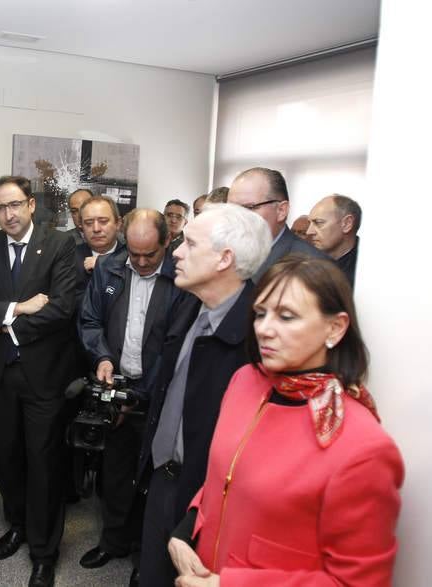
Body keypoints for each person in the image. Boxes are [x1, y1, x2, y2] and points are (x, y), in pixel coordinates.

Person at [168, 256, 403, 587]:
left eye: (286, 316)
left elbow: (356, 582)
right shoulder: (245, 382)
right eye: (260, 314)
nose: (263, 328)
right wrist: (186, 530)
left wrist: (227, 585)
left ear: (335, 328)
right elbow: (224, 478)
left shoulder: (364, 448)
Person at [137, 204, 273, 587]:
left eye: (190, 244)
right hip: (163, 479)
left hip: (210, 500)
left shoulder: (260, 338)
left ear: (224, 259)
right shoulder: (189, 306)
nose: (176, 252)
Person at [0, 176, 76, 587]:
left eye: (14, 205)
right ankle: (19, 525)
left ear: (30, 205)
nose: (7, 214)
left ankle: (44, 551)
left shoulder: (60, 244)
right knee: (5, 459)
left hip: (43, 375)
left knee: (43, 463)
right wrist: (15, 310)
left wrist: (4, 324)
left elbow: (62, 308)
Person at [78, 208, 180, 584]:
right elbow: (89, 320)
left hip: (160, 395)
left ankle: (146, 555)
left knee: (155, 479)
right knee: (116, 471)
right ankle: (113, 541)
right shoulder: (110, 268)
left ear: (166, 242)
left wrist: (143, 394)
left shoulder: (181, 278)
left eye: (149, 255)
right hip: (116, 387)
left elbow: (175, 345)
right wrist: (102, 357)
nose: (139, 262)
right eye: (134, 254)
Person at [227, 167, 325, 282]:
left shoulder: (314, 266)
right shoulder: (226, 253)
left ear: (281, 211)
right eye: (231, 209)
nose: (236, 217)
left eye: (249, 208)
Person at [74, 195, 124, 305]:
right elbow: (66, 304)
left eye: (103, 221)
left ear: (118, 223)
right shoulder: (69, 258)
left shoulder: (131, 257)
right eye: (88, 223)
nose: (96, 229)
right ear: (81, 227)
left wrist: (104, 264)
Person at [306, 194, 362, 287]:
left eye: (318, 223)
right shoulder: (306, 260)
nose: (309, 232)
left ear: (347, 224)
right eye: (309, 223)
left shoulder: (367, 271)